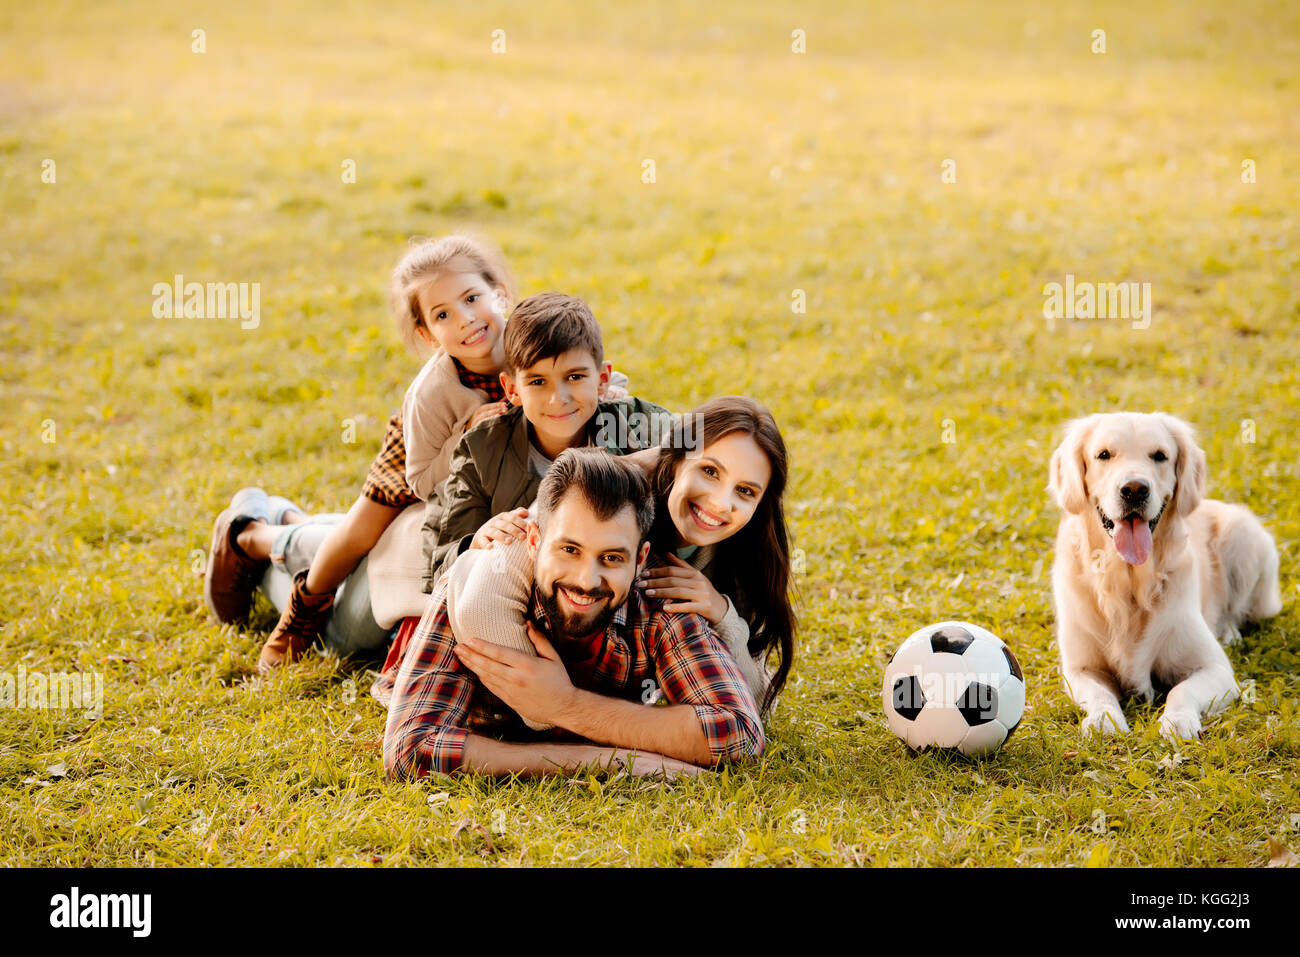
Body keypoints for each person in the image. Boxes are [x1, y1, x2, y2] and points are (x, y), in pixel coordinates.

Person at [202, 233, 516, 669]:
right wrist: (469, 438)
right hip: (422, 455)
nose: (465, 319)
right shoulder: (432, 392)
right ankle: (291, 600)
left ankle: (293, 520)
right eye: (443, 314)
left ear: (499, 293)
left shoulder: (530, 341)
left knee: (377, 543)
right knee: (359, 536)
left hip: (465, 481)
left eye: (471, 298)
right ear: (427, 334)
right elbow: (422, 481)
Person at [382, 448, 765, 780]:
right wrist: (606, 761)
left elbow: (739, 734)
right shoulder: (476, 589)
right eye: (569, 549)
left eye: (612, 558)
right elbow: (411, 749)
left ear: (640, 560)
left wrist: (564, 705)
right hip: (397, 573)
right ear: (534, 542)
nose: (587, 580)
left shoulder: (659, 602)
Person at [449, 396, 797, 722]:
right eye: (709, 471)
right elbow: (479, 610)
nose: (721, 503)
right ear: (675, 460)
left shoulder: (740, 554)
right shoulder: (598, 495)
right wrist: (550, 707)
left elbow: (760, 703)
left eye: (745, 491)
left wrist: (722, 615)